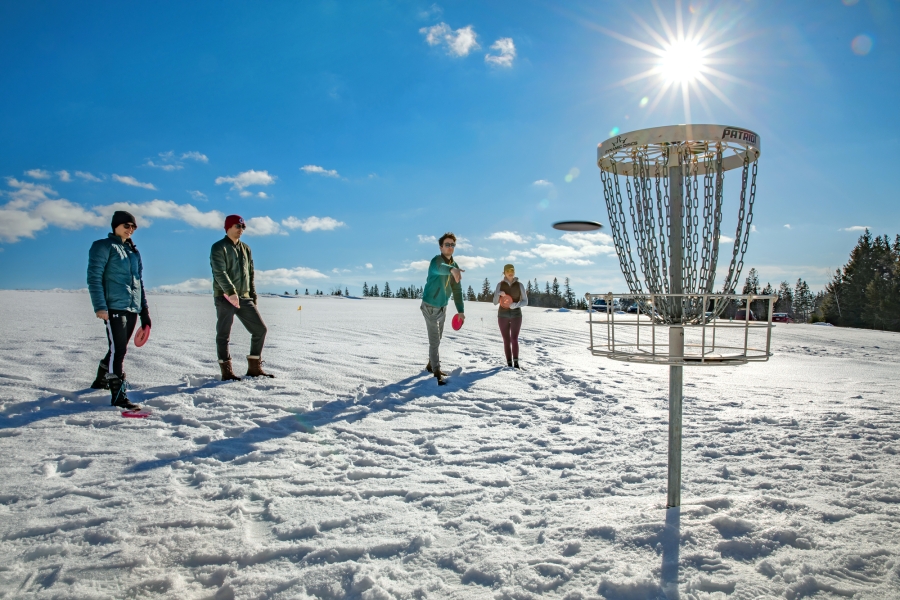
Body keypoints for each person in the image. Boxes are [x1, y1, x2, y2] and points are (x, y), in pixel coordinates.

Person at [87, 210, 151, 410]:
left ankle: (101, 380)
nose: (130, 229)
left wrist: (144, 313)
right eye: (126, 226)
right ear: (115, 226)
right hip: (113, 306)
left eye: (133, 227)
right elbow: (94, 277)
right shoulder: (103, 246)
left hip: (132, 307)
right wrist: (100, 306)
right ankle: (118, 395)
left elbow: (139, 283)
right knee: (119, 349)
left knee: (117, 347)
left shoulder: (133, 251)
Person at [210, 214, 273, 380]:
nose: (241, 230)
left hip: (244, 297)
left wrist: (252, 296)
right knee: (224, 334)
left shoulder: (246, 249)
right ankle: (226, 371)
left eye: (243, 227)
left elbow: (250, 274)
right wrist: (231, 292)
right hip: (225, 296)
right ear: (228, 227)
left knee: (260, 329)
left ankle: (254, 367)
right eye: (237, 226)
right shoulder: (218, 247)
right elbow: (219, 272)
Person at [421, 232, 465, 385]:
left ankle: (430, 364)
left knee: (438, 339)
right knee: (434, 340)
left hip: (442, 307)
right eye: (447, 244)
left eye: (453, 245)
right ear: (441, 247)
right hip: (430, 306)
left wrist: (460, 311)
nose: (450, 247)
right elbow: (441, 268)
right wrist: (451, 270)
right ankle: (436, 371)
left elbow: (457, 290)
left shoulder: (455, 266)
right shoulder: (436, 261)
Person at [493, 264, 528, 368]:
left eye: (512, 270)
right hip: (502, 315)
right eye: (508, 270)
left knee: (514, 339)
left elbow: (525, 301)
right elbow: (495, 302)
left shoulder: (519, 285)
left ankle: (516, 364)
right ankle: (509, 364)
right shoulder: (500, 285)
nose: (510, 272)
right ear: (504, 272)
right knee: (506, 340)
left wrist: (515, 305)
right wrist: (498, 294)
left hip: (516, 315)